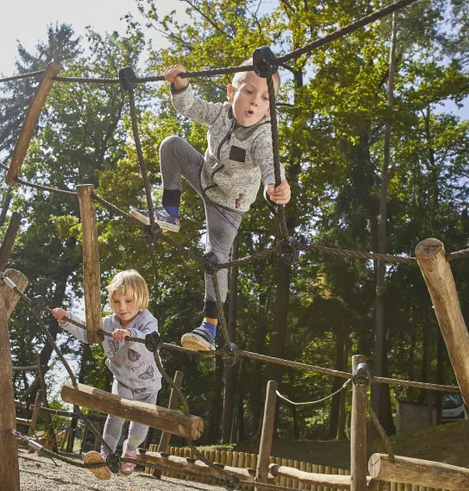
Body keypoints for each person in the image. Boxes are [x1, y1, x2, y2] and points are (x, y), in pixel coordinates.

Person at [130, 60, 291, 352]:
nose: (255, 102)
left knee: (214, 260)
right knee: (171, 145)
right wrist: (181, 86)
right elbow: (191, 107)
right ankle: (171, 213)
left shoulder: (263, 137)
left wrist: (276, 187)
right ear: (232, 93)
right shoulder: (220, 114)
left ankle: (209, 326)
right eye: (249, 92)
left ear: (270, 108)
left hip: (229, 206)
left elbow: (271, 165)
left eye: (265, 98)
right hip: (204, 175)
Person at [51, 269, 159, 480]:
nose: (122, 308)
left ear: (141, 299)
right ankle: (105, 456)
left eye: (128, 301)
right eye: (117, 302)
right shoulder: (109, 323)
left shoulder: (148, 320)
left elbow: (150, 340)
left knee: (139, 430)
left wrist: (130, 334)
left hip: (148, 386)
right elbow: (87, 331)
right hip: (123, 381)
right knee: (115, 413)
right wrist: (66, 319)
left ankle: (130, 451)